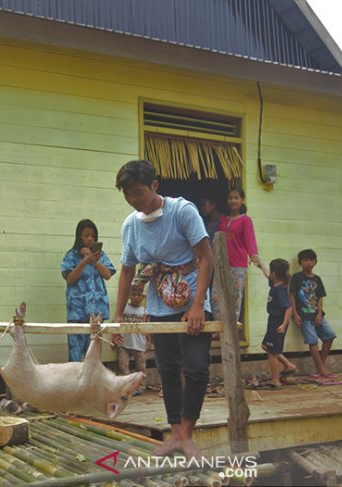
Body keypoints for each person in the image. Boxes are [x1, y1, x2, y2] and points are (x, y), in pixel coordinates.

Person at [113, 159, 213, 459]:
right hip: (159, 303)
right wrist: (118, 315)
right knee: (168, 370)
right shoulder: (131, 226)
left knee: (196, 369)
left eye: (139, 192)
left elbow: (206, 258)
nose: (134, 200)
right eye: (128, 195)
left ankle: (188, 433)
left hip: (193, 300)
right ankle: (176, 435)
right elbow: (128, 271)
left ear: (155, 186)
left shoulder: (182, 212)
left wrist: (197, 305)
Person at [61, 219, 116, 361]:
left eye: (93, 236)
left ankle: (92, 382)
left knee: (94, 351)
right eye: (86, 235)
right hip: (77, 311)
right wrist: (85, 260)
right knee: (76, 351)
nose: (90, 239)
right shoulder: (71, 255)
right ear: (79, 236)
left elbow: (107, 275)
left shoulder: (100, 255)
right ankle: (75, 381)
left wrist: (94, 260)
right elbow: (70, 278)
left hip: (96, 312)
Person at [212, 188, 265, 322]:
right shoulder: (222, 220)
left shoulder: (245, 220)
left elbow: (250, 239)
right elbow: (216, 240)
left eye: (236, 198)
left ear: (242, 200)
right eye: (230, 198)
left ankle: (232, 327)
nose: (233, 201)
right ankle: (218, 327)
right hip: (221, 264)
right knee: (216, 296)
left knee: (235, 297)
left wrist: (254, 255)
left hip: (238, 265)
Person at [290, 249, 337, 376]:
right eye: (305, 260)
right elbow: (292, 296)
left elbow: (320, 297)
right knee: (313, 341)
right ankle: (321, 368)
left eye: (311, 260)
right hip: (303, 315)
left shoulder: (317, 279)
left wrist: (319, 314)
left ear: (315, 262)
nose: (309, 262)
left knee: (330, 336)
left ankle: (320, 365)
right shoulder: (296, 277)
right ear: (300, 262)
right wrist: (295, 314)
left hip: (316, 314)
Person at [261, 259, 295, 388]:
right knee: (266, 346)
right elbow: (268, 277)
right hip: (273, 321)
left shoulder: (279, 290)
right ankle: (288, 365)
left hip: (278, 323)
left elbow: (289, 308)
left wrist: (284, 324)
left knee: (271, 352)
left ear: (274, 273)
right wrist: (261, 266)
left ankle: (275, 380)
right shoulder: (276, 285)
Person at [114, 284, 149, 394]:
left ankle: (140, 387)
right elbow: (115, 323)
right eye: (134, 295)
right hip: (124, 343)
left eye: (139, 295)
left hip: (139, 343)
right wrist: (113, 337)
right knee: (123, 366)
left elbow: (148, 328)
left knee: (141, 367)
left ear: (142, 297)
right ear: (129, 296)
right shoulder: (123, 309)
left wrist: (149, 342)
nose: (136, 297)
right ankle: (127, 388)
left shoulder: (144, 311)